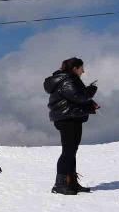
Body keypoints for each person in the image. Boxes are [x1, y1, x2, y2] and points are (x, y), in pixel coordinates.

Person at [43, 57, 100, 195]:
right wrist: (91, 90)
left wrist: (90, 104)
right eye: (81, 68)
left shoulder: (66, 79)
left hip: (70, 117)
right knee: (68, 151)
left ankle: (71, 182)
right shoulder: (68, 80)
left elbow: (73, 98)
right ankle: (60, 184)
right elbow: (78, 97)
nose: (83, 71)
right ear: (75, 68)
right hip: (68, 118)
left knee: (71, 150)